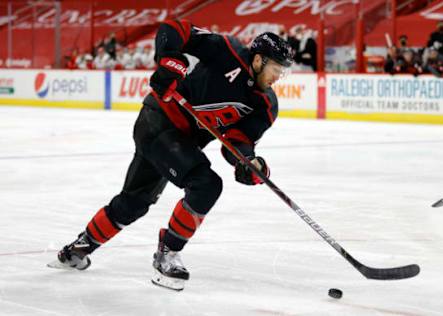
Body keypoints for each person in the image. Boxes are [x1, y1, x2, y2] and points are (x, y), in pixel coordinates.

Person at [48, 19, 294, 291]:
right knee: (206, 184)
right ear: (258, 60)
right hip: (158, 120)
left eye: (282, 72)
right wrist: (170, 62)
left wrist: (248, 162)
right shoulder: (227, 51)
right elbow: (175, 28)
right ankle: (168, 254)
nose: (277, 78)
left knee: (134, 203)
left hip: (180, 142)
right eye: (275, 69)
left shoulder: (265, 106)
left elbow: (237, 142)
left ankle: (77, 250)